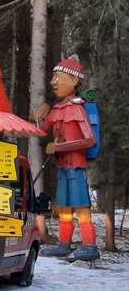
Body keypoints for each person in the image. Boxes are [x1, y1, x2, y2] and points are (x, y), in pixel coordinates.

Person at [37, 56, 99, 261]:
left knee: (81, 206)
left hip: (76, 167)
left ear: (74, 81)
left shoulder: (78, 108)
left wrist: (60, 147)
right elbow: (42, 130)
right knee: (64, 207)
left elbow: (89, 140)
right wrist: (37, 118)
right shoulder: (57, 109)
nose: (53, 82)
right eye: (53, 77)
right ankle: (64, 244)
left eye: (58, 77)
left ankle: (90, 246)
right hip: (62, 166)